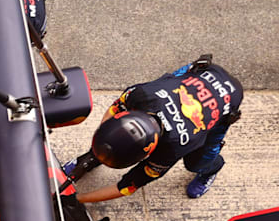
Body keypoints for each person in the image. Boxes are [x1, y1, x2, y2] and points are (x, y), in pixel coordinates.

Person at [63, 55, 243, 201]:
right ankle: (91, 157)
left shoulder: (173, 148)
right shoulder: (140, 94)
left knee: (196, 163)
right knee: (169, 80)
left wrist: (76, 200)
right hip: (202, 73)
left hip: (228, 103)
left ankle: (212, 169)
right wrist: (100, 149)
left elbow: (126, 187)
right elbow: (114, 111)